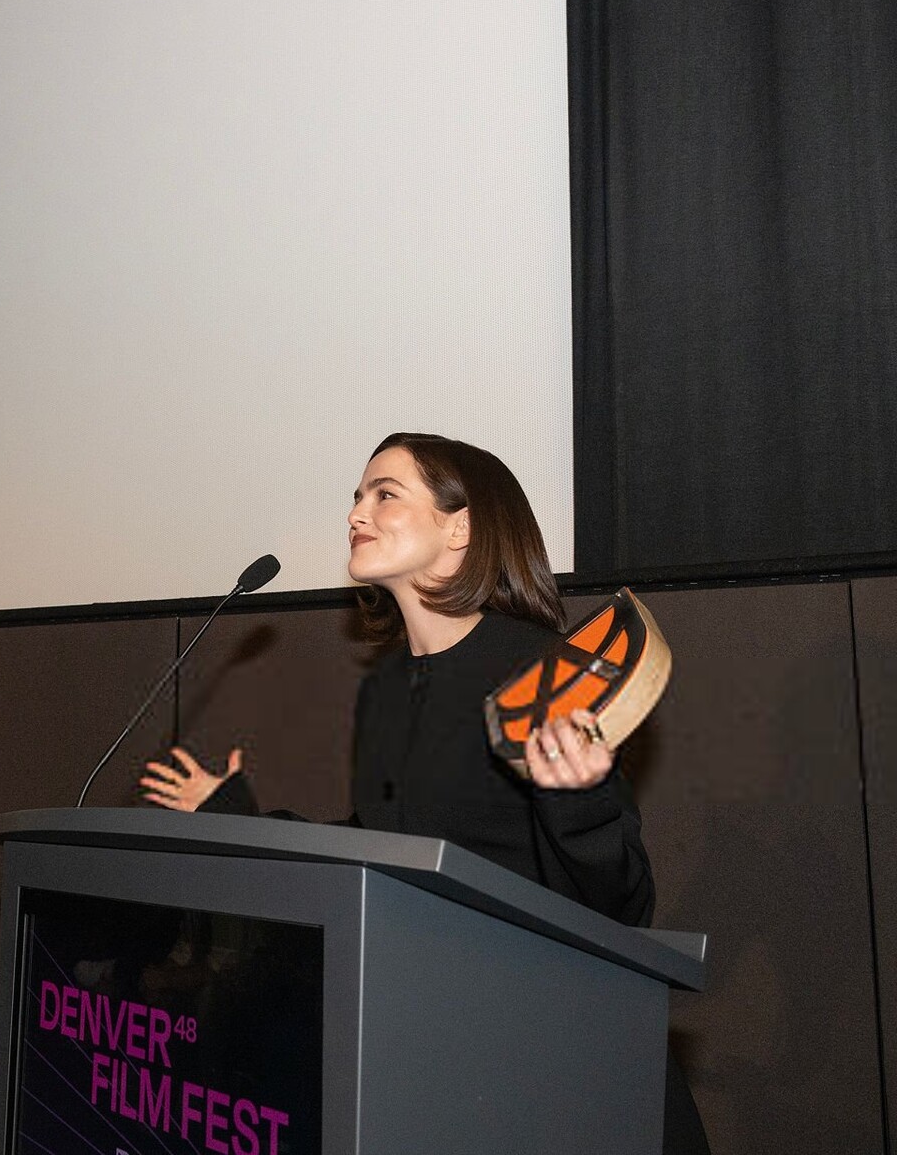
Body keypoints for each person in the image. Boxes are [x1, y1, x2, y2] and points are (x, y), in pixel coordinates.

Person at [138, 431, 709, 1154]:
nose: (357, 513)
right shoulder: (387, 692)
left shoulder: (536, 668)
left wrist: (580, 799)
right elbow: (385, 848)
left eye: (386, 494)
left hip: (564, 1066)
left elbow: (623, 910)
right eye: (356, 497)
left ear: (459, 527)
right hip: (448, 1057)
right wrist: (234, 815)